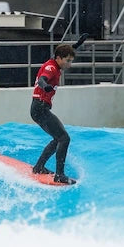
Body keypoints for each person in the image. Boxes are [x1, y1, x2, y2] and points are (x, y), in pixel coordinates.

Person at [30, 41, 82, 184]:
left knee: (58, 138)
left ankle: (39, 167)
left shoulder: (54, 62)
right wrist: (45, 86)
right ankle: (59, 175)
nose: (69, 65)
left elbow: (61, 53)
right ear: (59, 58)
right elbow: (42, 79)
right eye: (68, 61)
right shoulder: (51, 68)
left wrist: (76, 45)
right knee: (64, 138)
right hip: (40, 108)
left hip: (39, 108)